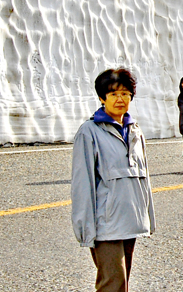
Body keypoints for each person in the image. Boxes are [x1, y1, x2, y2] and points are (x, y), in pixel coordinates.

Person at [72, 68, 156, 292]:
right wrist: (85, 228)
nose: (120, 99)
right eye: (113, 94)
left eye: (126, 94)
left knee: (122, 283)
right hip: (105, 224)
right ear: (102, 97)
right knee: (113, 283)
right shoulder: (89, 132)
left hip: (130, 219)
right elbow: (83, 184)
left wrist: (148, 218)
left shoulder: (135, 130)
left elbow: (143, 178)